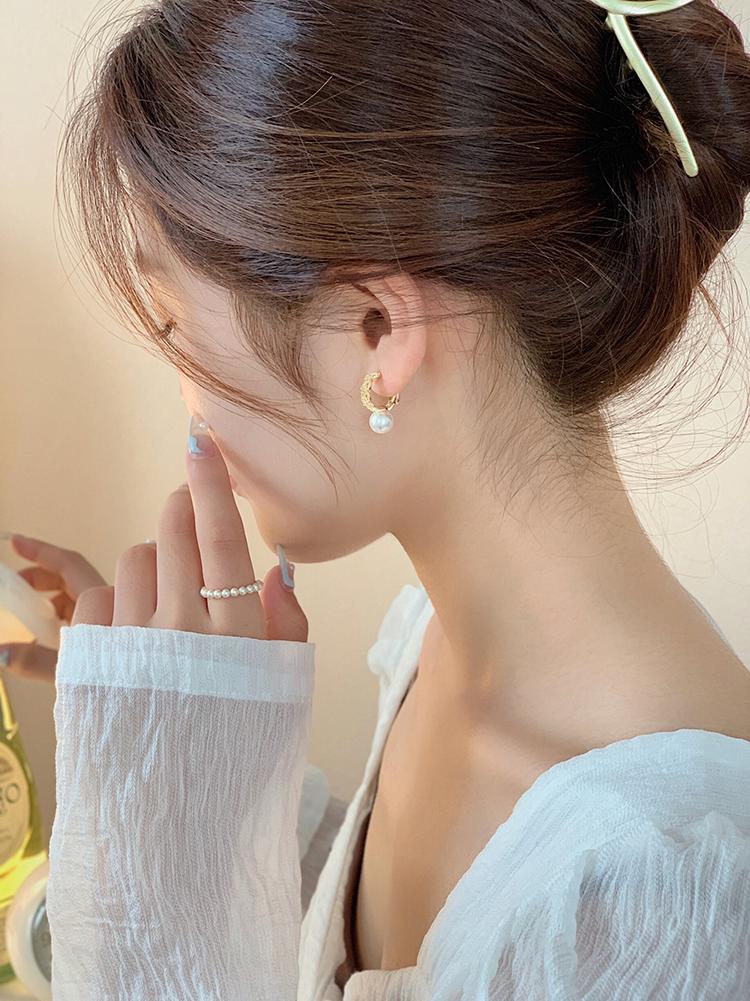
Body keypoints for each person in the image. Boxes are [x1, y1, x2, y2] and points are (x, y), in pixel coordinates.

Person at [5, 0, 750, 997]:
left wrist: (155, 895)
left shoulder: (654, 896)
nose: (188, 397)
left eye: (176, 325)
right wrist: (181, 770)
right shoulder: (440, 649)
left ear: (375, 329)